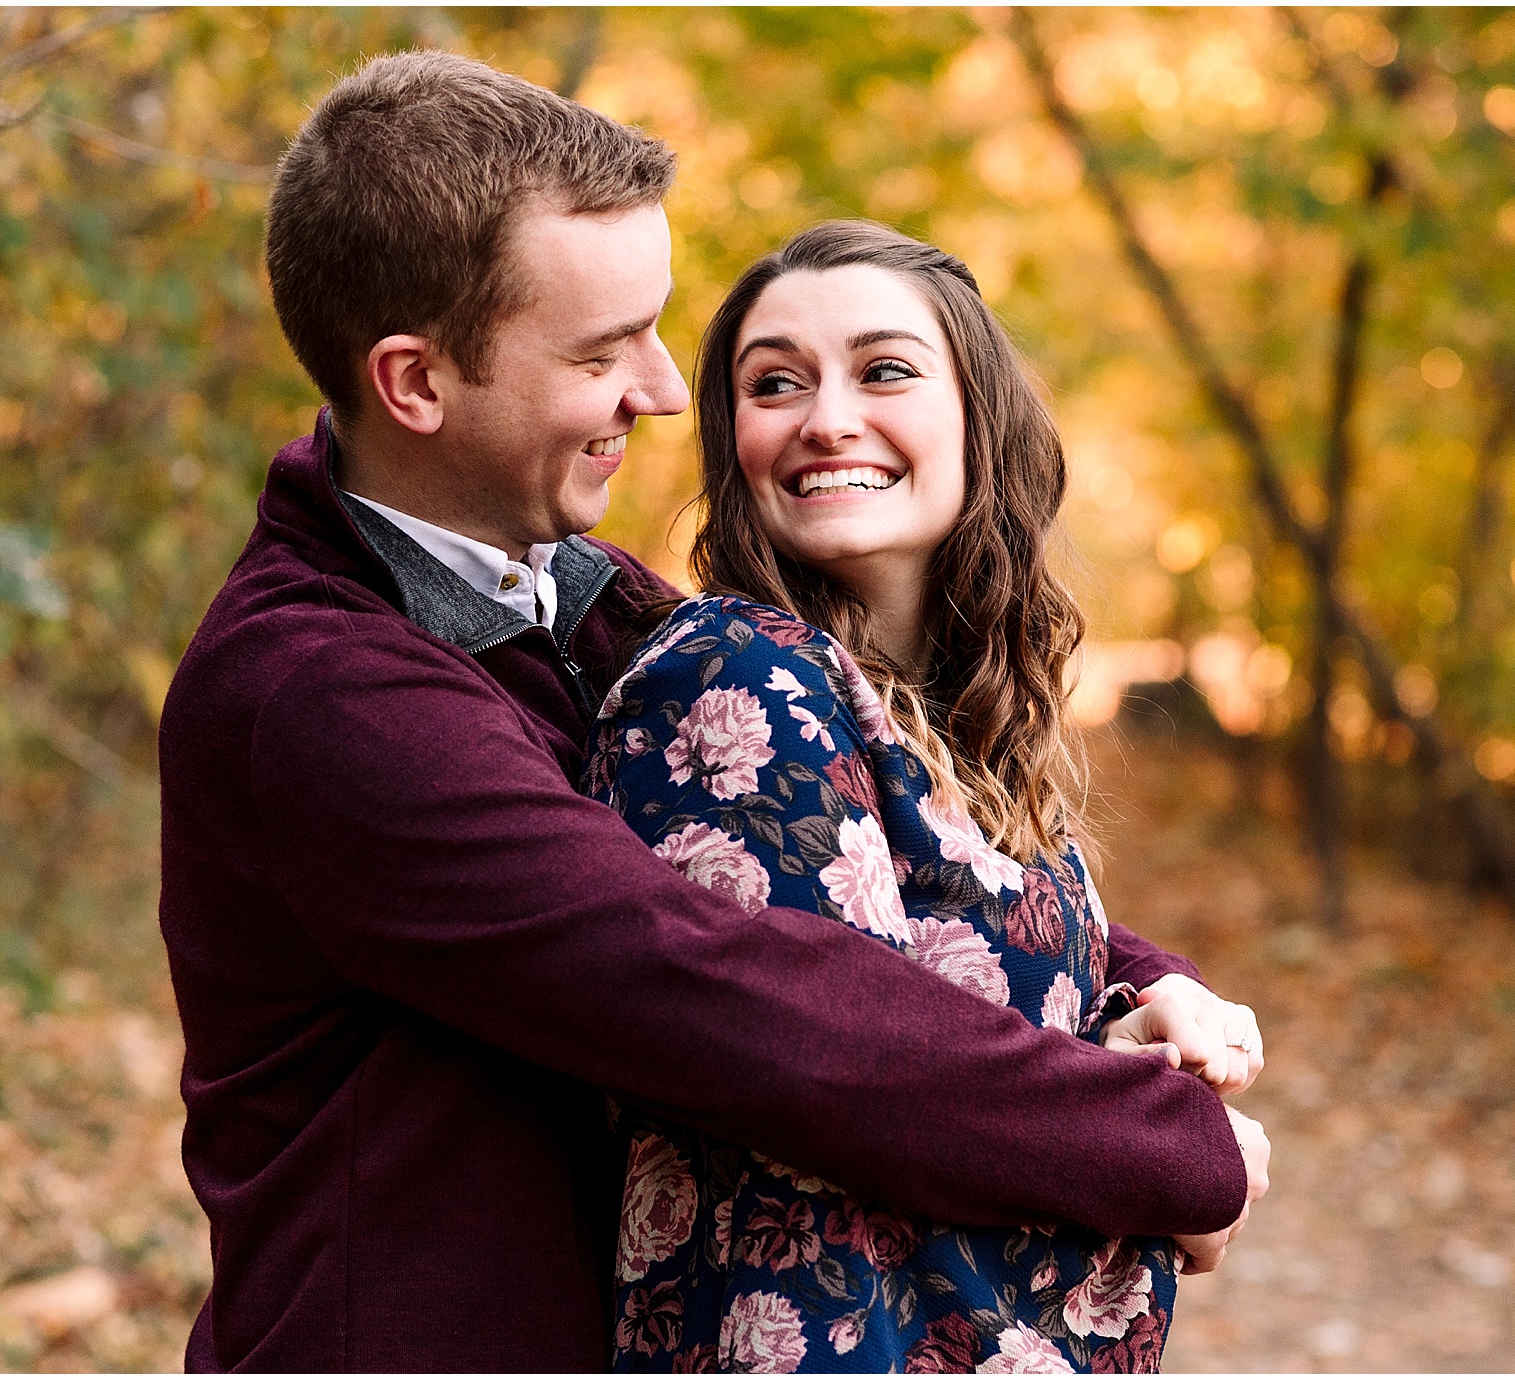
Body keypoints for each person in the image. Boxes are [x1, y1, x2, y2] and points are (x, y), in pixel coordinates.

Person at [158, 50, 1265, 1372]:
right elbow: (723, 986)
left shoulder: (578, 595)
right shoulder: (315, 694)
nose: (668, 389)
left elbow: (897, 848)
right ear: (416, 384)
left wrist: (1142, 981)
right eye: (600, 349)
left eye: (658, 325)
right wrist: (1165, 1148)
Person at [585, 221, 1262, 1374]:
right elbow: (849, 1078)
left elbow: (980, 1024)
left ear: (975, 419)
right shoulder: (734, 676)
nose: (827, 418)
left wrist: (1139, 1007)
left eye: (883, 370)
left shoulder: (957, 723)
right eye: (775, 383)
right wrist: (1183, 1161)